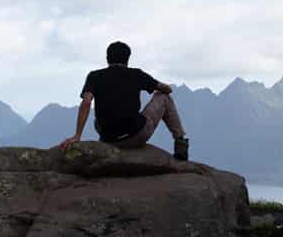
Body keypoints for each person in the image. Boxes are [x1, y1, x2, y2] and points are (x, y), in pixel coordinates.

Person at [58, 40, 190, 161]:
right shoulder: (137, 74)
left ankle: (109, 134)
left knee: (98, 118)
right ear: (128, 59)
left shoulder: (94, 76)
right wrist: (160, 87)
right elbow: (167, 90)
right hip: (136, 135)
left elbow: (86, 102)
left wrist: (77, 135)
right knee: (164, 97)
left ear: (107, 58)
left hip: (108, 138)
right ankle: (180, 143)